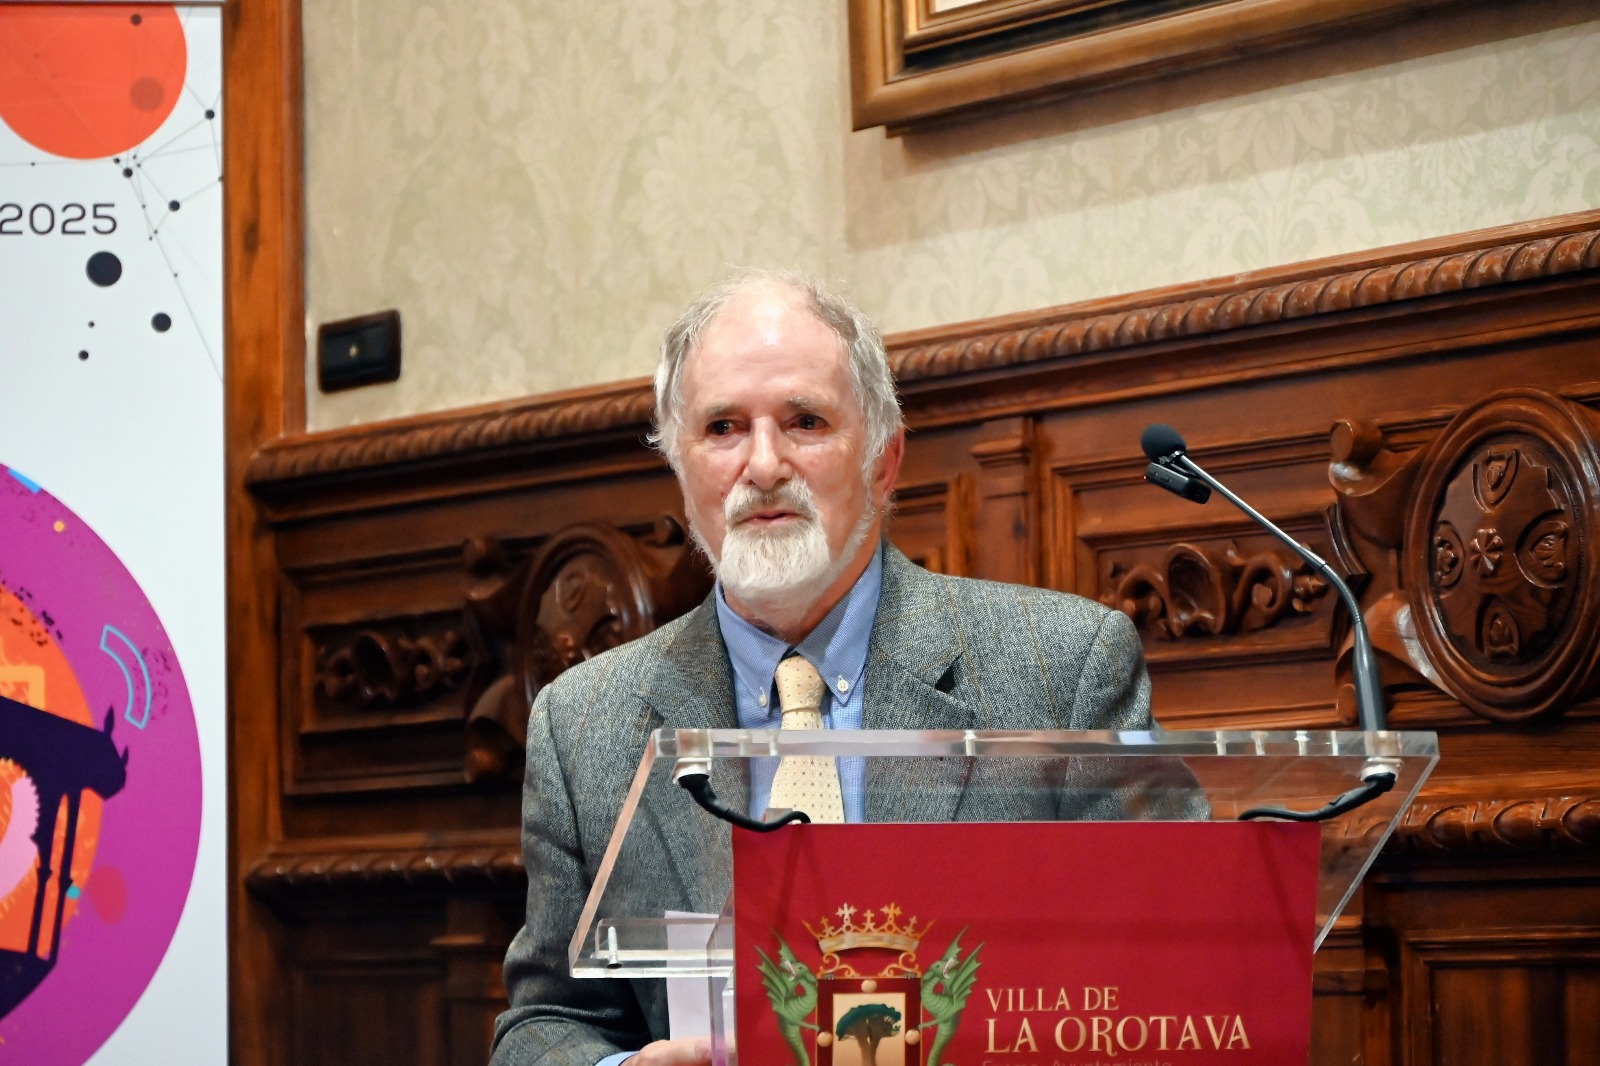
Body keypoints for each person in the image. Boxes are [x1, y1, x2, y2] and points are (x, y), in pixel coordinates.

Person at [489, 271, 1161, 1066]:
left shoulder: (1062, 671)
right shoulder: (584, 724)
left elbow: (1158, 976)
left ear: (883, 462)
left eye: (805, 421)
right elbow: (546, 1024)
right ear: (681, 469)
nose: (763, 465)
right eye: (722, 428)